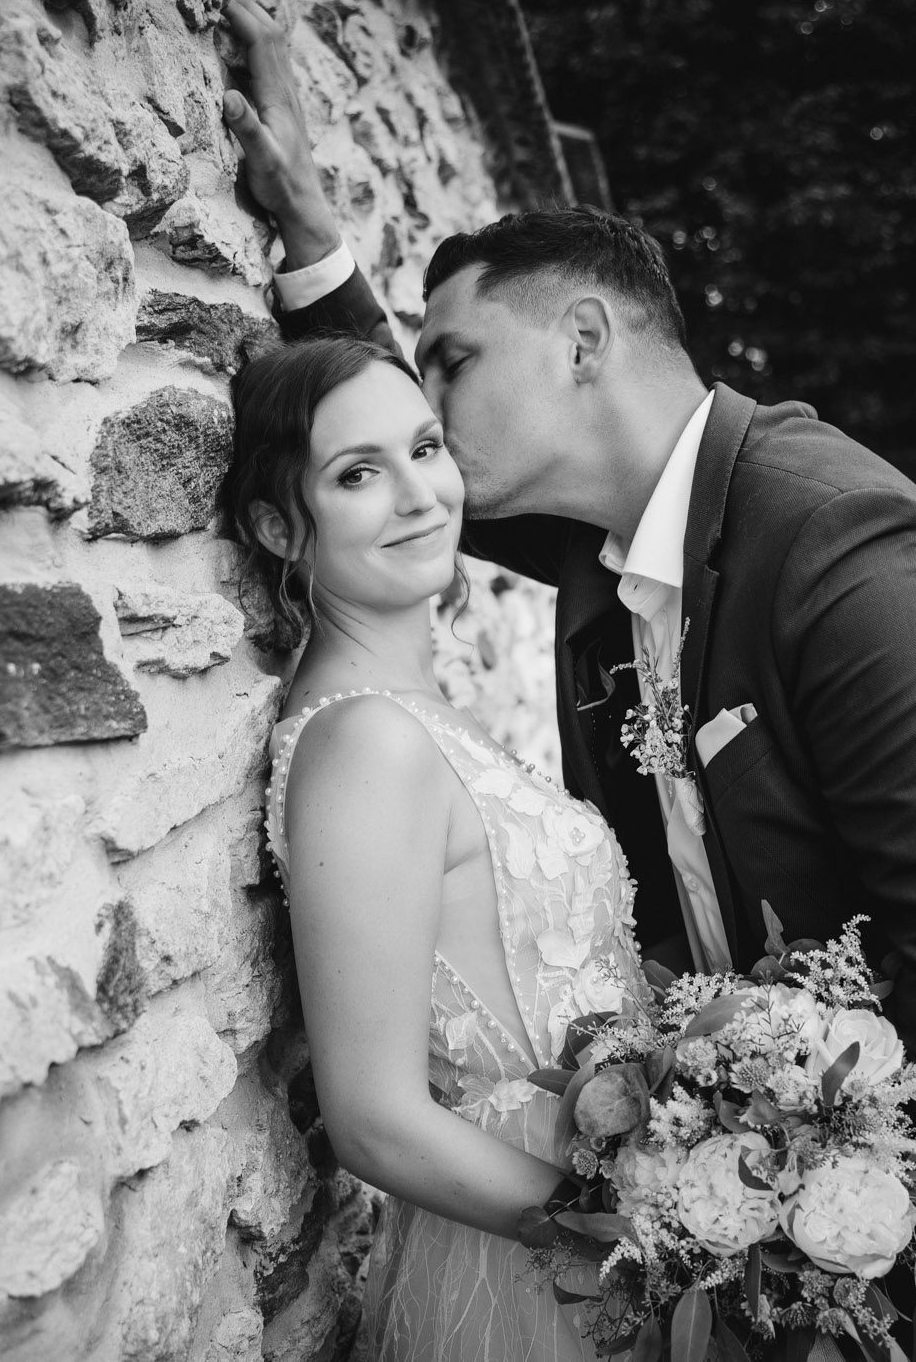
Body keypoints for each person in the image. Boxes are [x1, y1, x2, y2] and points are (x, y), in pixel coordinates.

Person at [217, 1, 916, 1360]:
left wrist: (864, 1277)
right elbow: (380, 464)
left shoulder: (840, 542)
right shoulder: (602, 538)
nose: (432, 429)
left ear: (583, 343)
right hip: (763, 1221)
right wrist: (310, 243)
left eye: (451, 365)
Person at [226, 335, 650, 1361]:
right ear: (279, 526)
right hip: (542, 1265)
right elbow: (373, 1120)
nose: (418, 496)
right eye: (357, 474)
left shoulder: (416, 711)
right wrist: (645, 1242)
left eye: (424, 448)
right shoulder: (366, 744)